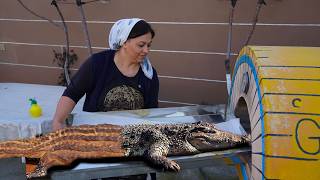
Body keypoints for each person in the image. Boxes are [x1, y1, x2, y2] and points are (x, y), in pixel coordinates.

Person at [52, 18, 159, 131]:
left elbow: (151, 113)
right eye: (141, 45)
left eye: (149, 45)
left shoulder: (149, 75)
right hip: (93, 133)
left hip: (131, 136)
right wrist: (58, 121)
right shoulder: (97, 64)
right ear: (124, 42)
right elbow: (72, 93)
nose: (146, 50)